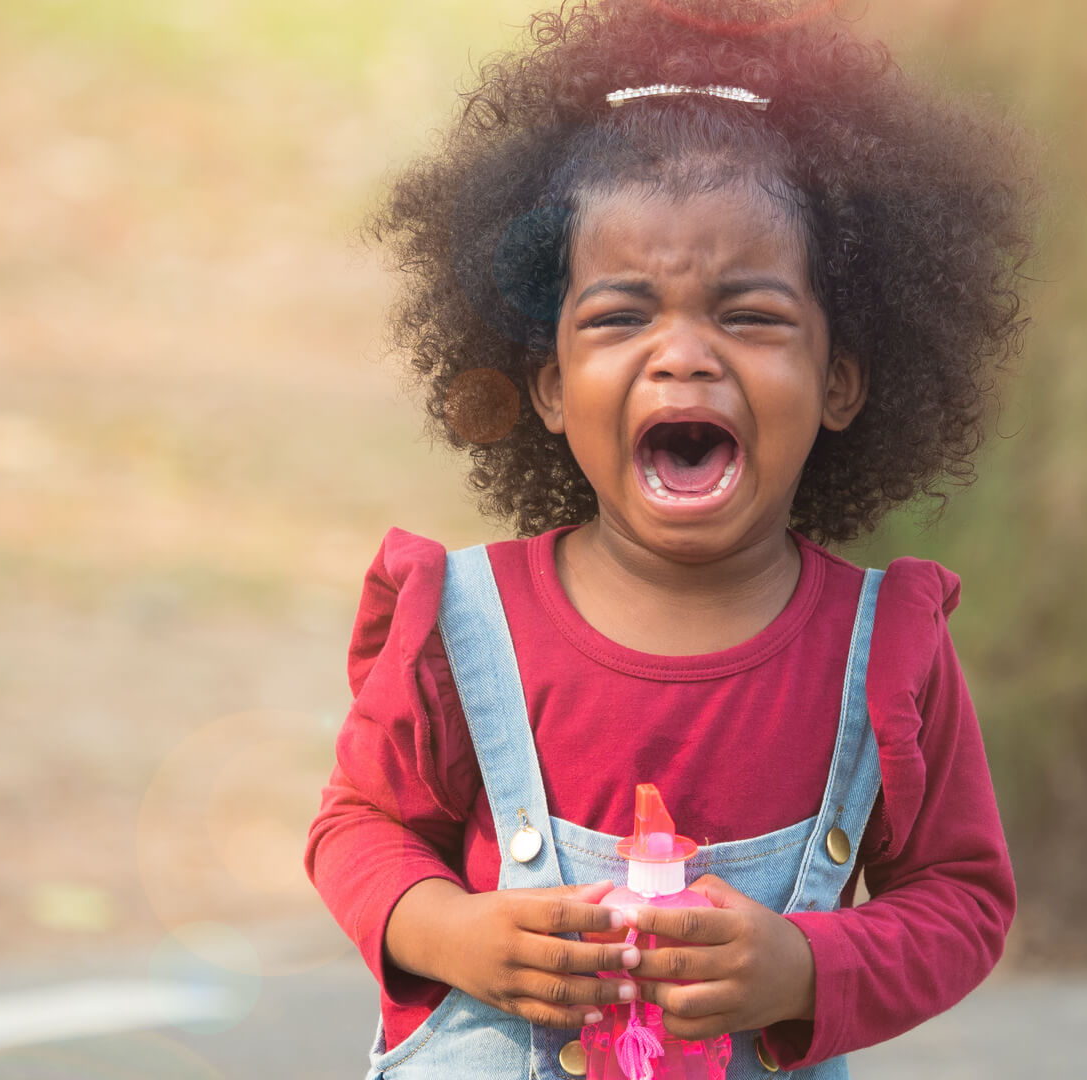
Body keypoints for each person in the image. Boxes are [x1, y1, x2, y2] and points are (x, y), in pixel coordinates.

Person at [304, 1, 1033, 1076]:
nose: (682, 354)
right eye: (619, 316)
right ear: (550, 387)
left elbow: (962, 901)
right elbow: (355, 829)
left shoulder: (884, 650)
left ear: (840, 382)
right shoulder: (461, 622)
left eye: (748, 316)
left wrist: (802, 967)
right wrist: (450, 930)